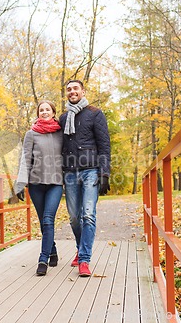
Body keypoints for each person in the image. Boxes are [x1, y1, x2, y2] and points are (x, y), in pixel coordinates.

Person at [59, 80, 111, 277]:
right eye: (69, 89)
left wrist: (104, 173)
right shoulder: (63, 118)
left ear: (83, 91)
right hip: (70, 172)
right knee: (74, 217)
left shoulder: (95, 114)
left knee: (88, 214)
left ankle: (84, 259)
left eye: (75, 88)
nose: (72, 92)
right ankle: (80, 248)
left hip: (90, 170)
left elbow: (104, 145)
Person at [15, 100, 63, 276]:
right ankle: (53, 250)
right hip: (36, 184)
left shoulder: (61, 133)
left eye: (47, 109)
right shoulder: (31, 134)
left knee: (49, 219)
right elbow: (25, 159)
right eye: (41, 110)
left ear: (53, 112)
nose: (44, 112)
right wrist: (21, 183)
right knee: (44, 221)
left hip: (55, 183)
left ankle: (43, 259)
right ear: (38, 113)